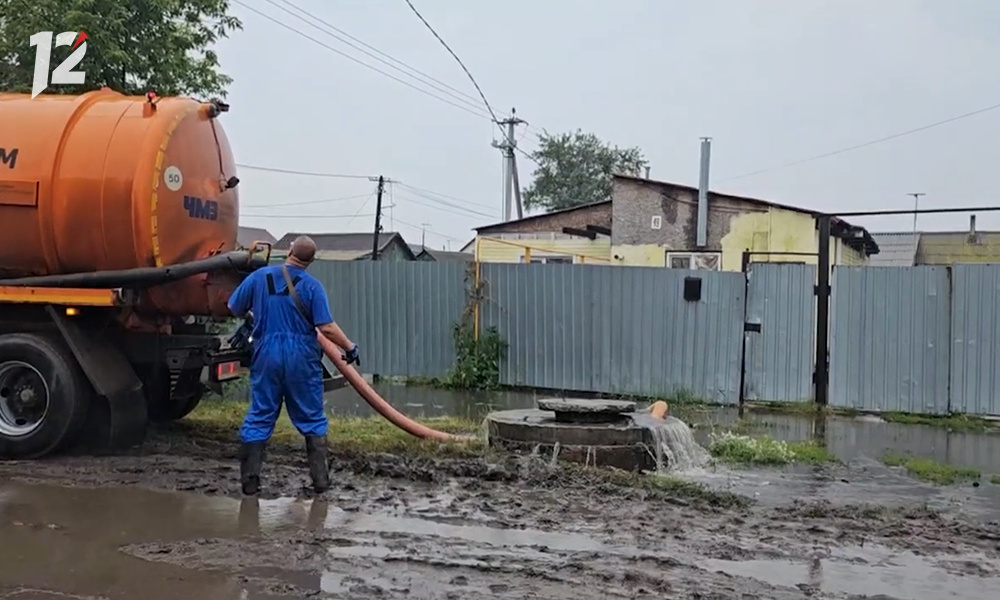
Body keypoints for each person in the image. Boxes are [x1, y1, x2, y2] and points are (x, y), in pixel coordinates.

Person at [227, 235, 360, 495]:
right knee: (311, 416)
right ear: (311, 261)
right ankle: (321, 484)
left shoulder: (258, 277)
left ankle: (250, 484)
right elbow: (326, 327)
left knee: (260, 413)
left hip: (266, 352)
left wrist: (257, 315)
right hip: (301, 356)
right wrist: (349, 347)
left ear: (289, 251)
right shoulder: (312, 287)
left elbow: (234, 306)